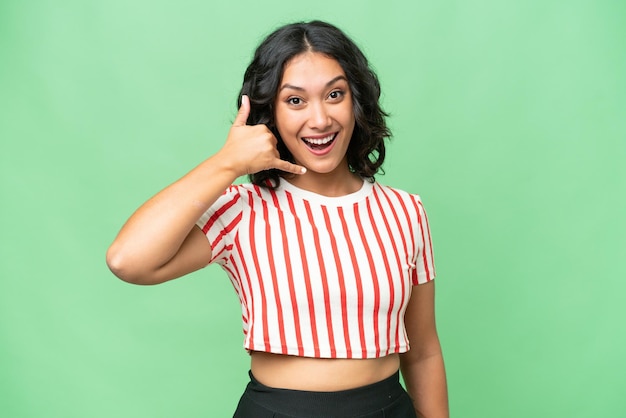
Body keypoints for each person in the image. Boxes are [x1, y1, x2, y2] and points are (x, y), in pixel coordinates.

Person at [106, 20, 448, 418]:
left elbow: (423, 352)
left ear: (356, 100)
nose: (319, 119)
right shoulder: (241, 209)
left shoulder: (404, 212)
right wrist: (226, 162)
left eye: (334, 94)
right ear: (270, 112)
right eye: (296, 101)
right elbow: (127, 260)